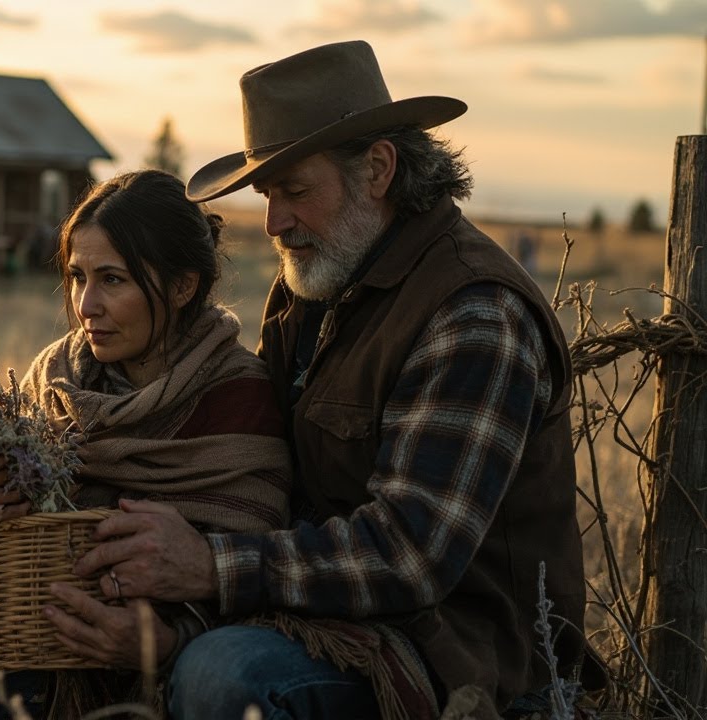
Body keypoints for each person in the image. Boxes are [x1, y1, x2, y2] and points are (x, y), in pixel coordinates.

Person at [65, 40, 604, 719]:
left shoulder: (474, 314)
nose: (273, 223)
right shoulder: (313, 291)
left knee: (222, 674)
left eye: (294, 191)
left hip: (457, 654)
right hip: (321, 617)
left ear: (378, 169)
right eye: (267, 195)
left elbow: (411, 555)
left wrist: (208, 566)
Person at [0, 169, 293, 718]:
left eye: (113, 280)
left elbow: (253, 586)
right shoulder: (54, 379)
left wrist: (168, 640)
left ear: (183, 285)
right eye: (77, 276)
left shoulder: (238, 399)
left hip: (161, 687)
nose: (86, 304)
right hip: (20, 662)